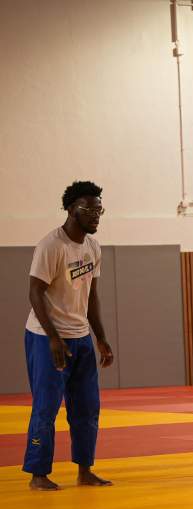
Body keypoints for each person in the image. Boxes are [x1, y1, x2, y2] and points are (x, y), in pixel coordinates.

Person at [23, 181, 115, 491]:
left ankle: (85, 470)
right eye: (90, 210)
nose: (96, 215)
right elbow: (35, 292)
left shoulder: (93, 247)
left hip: (80, 337)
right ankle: (38, 474)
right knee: (47, 407)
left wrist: (100, 337)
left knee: (87, 407)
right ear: (71, 210)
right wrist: (52, 338)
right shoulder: (51, 246)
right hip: (46, 336)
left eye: (99, 209)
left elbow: (91, 297)